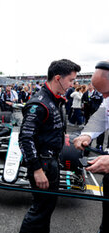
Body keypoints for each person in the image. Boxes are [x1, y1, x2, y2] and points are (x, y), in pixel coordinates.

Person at [18, 59, 81, 233]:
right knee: (39, 211)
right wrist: (37, 170)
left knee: (45, 210)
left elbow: (50, 130)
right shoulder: (40, 103)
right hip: (43, 164)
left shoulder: (55, 99)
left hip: (51, 161)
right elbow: (25, 138)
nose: (72, 85)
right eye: (71, 80)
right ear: (58, 78)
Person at [73, 60, 109, 233]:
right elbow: (101, 117)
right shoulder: (107, 99)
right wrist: (86, 134)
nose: (104, 98)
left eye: (106, 92)